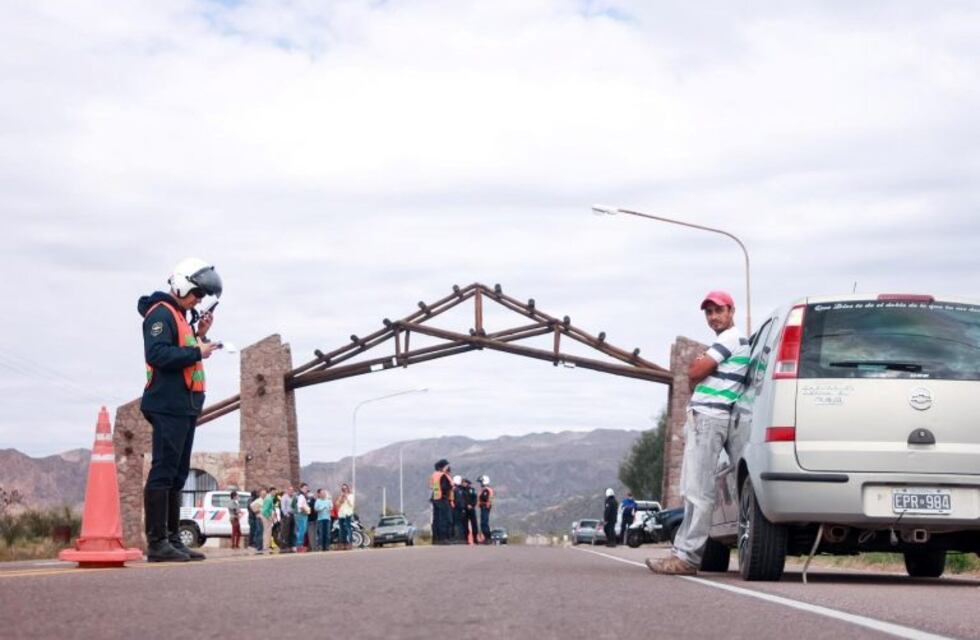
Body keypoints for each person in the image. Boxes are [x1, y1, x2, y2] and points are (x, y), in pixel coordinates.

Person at [647, 290, 750, 576]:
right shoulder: (726, 342)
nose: (713, 317)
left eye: (718, 310)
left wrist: (701, 365)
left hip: (710, 418)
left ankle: (689, 557)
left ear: (731, 311)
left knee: (699, 492)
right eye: (709, 312)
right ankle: (681, 553)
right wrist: (700, 368)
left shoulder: (730, 340)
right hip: (704, 417)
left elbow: (694, 372)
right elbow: (696, 375)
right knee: (692, 490)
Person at [138, 258, 223, 562]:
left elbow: (183, 353)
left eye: (202, 297)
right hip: (167, 404)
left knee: (177, 474)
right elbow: (158, 353)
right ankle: (157, 542)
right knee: (163, 470)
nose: (198, 300)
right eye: (197, 294)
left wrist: (199, 335)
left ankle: (172, 539)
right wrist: (196, 350)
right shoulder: (160, 313)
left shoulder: (182, 317)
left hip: (184, 406)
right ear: (182, 284)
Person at [430, 459, 454, 544]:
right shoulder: (443, 476)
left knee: (436, 519)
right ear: (442, 467)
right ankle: (444, 538)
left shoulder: (435, 475)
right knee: (444, 519)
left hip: (436, 498)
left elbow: (433, 487)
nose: (448, 468)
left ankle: (436, 538)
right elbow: (445, 487)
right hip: (443, 499)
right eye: (446, 466)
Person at [335, 483, 355, 550]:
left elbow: (351, 505)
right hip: (341, 514)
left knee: (348, 528)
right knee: (342, 530)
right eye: (343, 489)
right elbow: (337, 504)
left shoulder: (351, 496)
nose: (344, 490)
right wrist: (341, 498)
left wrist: (346, 497)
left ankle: (350, 543)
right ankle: (344, 543)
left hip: (348, 513)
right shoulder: (340, 496)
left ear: (347, 488)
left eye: (345, 488)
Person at [477, 475, 494, 544]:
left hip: (485, 507)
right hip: (483, 507)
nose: (480, 484)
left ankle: (488, 538)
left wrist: (481, 502)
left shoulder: (487, 490)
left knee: (484, 522)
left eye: (481, 482)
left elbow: (485, 498)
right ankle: (486, 538)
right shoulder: (484, 489)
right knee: (483, 523)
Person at [250, 488, 268, 553]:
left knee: (262, 532)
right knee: (259, 532)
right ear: (260, 494)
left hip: (264, 518)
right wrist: (256, 511)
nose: (264, 495)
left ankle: (261, 546)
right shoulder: (258, 500)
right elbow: (251, 506)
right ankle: (258, 546)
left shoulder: (265, 500)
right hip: (259, 518)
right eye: (263, 494)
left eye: (265, 494)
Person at [260, 485, 276, 554]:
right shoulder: (269, 499)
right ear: (271, 491)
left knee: (267, 532)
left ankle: (266, 547)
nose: (275, 493)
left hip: (267, 516)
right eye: (274, 492)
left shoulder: (269, 498)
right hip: (266, 517)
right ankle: (266, 547)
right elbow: (265, 510)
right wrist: (269, 517)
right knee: (267, 532)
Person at [294, 485, 310, 552]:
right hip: (302, 514)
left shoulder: (300, 496)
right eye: (304, 488)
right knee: (302, 530)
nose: (306, 489)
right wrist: (306, 511)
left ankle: (299, 545)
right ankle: (299, 546)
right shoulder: (301, 496)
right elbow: (300, 506)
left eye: (307, 488)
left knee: (300, 530)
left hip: (300, 514)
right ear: (301, 488)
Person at [452, 475, 468, 544]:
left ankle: (458, 538)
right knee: (459, 524)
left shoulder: (456, 490)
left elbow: (458, 501)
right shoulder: (459, 490)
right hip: (459, 509)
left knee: (457, 524)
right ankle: (461, 538)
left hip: (457, 509)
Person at [463, 478, 479, 545]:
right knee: (465, 524)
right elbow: (462, 499)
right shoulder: (462, 490)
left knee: (474, 524)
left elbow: (475, 499)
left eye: (464, 482)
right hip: (465, 509)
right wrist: (466, 505)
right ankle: (466, 539)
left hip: (471, 509)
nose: (463, 484)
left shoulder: (472, 490)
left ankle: (475, 538)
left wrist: (472, 505)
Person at [279, 486, 295, 553]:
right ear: (287, 491)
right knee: (285, 532)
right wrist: (286, 514)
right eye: (290, 490)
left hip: (293, 515)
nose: (291, 491)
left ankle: (290, 546)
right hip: (286, 516)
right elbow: (283, 507)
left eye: (292, 490)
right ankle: (284, 547)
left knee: (291, 531)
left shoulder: (293, 497)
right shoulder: (284, 497)